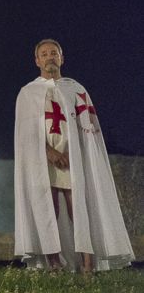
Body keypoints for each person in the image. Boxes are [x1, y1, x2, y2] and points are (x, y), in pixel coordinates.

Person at [14, 39, 134, 272]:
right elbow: (26, 133)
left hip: (72, 157)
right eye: (44, 54)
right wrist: (48, 152)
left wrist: (73, 152)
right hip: (43, 160)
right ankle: (54, 263)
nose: (49, 57)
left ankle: (87, 264)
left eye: (54, 53)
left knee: (77, 206)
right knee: (47, 207)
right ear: (37, 60)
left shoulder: (76, 89)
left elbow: (87, 126)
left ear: (62, 58)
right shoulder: (28, 93)